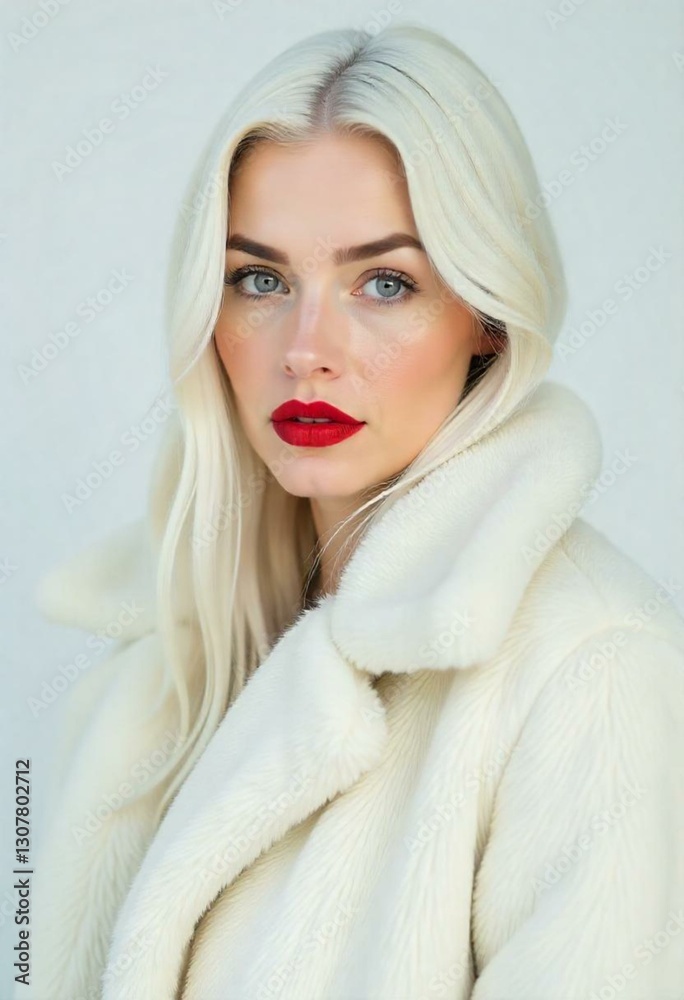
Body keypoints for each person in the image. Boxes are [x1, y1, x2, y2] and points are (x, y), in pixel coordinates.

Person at [24, 23, 684, 1000]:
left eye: (384, 283)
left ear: (488, 321)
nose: (306, 348)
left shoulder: (595, 670)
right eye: (261, 279)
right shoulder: (149, 671)